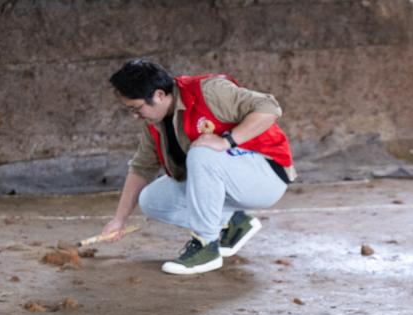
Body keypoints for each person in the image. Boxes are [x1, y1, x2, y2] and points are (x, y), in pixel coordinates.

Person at [101, 59, 296, 274]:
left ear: (159, 95)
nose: (134, 115)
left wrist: (227, 141)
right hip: (232, 178)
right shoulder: (154, 123)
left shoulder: (210, 91)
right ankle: (233, 222)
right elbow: (141, 168)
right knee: (151, 200)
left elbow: (269, 107)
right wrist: (119, 220)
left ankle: (206, 247)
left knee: (202, 152)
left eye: (137, 108)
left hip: (267, 175)